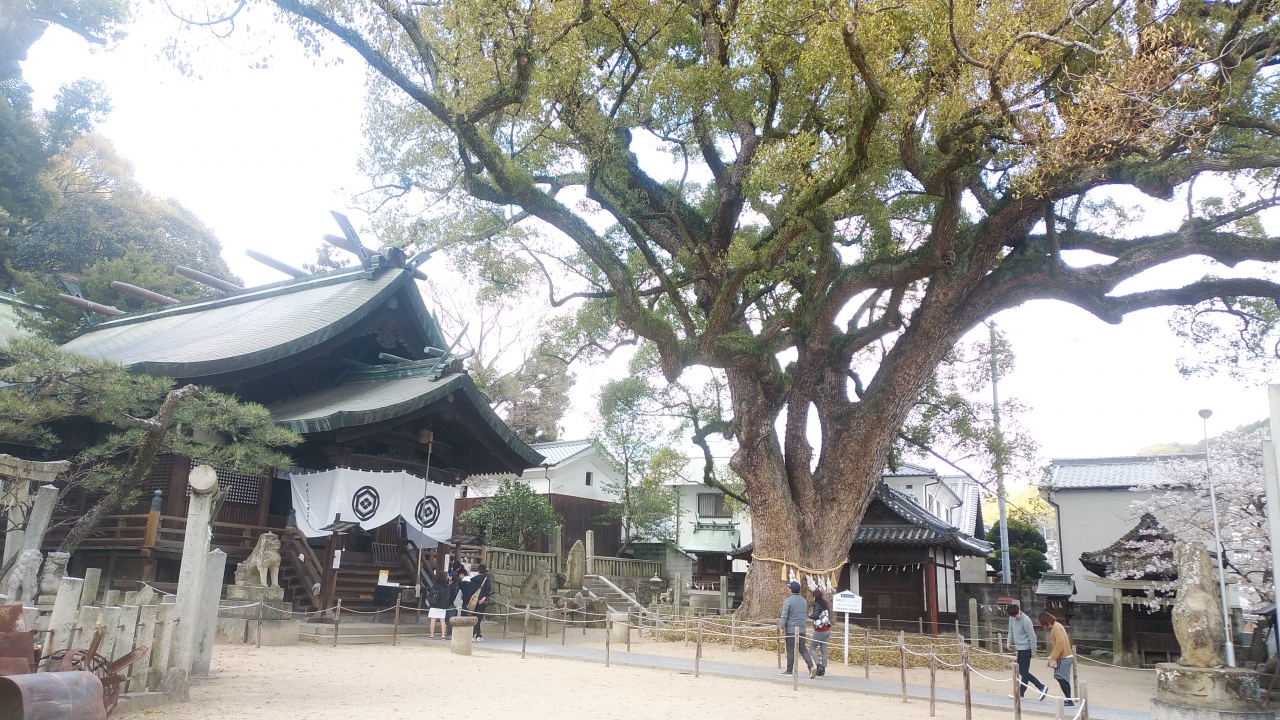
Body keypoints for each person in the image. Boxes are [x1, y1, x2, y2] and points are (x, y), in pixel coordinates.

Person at [1006, 603, 1047, 701]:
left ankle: (1036, 688)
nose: (1016, 617)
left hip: (1026, 648)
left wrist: (1033, 651)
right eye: (1014, 616)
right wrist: (1008, 642)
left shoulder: (1026, 620)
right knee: (1022, 671)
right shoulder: (1012, 619)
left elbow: (1032, 637)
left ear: (1019, 610)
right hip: (1019, 648)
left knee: (1023, 672)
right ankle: (1033, 689)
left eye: (1017, 614)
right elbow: (1010, 630)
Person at [778, 580, 815, 677]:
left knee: (790, 649)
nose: (788, 589)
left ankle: (789, 670)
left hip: (791, 629)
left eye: (788, 588)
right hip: (802, 629)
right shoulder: (804, 600)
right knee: (803, 649)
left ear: (791, 589)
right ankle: (811, 667)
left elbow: (784, 615)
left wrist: (782, 627)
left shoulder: (788, 600)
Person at [1040, 611, 1074, 706]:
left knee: (1061, 678)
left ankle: (1069, 700)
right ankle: (1069, 699)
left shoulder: (1056, 627)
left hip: (1064, 657)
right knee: (1061, 678)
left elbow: (1060, 643)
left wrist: (1053, 657)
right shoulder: (1056, 626)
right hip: (1063, 656)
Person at [464, 564, 492, 641]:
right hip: (481, 601)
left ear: (478, 571)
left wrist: (469, 600)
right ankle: (474, 635)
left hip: (474, 601)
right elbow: (489, 588)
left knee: (474, 617)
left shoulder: (473, 580)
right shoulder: (486, 580)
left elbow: (469, 591)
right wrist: (484, 597)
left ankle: (477, 635)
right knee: (478, 619)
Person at [809, 588, 832, 677]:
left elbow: (816, 616)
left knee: (812, 647)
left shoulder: (817, 605)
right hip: (827, 629)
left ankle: (818, 665)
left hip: (820, 630)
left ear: (815, 597)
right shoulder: (825, 604)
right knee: (824, 649)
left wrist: (810, 616)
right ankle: (824, 667)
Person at [443, 571, 463, 639]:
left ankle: (450, 633)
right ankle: (450, 632)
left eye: (450, 576)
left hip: (451, 603)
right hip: (451, 603)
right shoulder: (453, 584)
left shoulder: (454, 585)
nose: (449, 577)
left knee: (450, 618)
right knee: (449, 618)